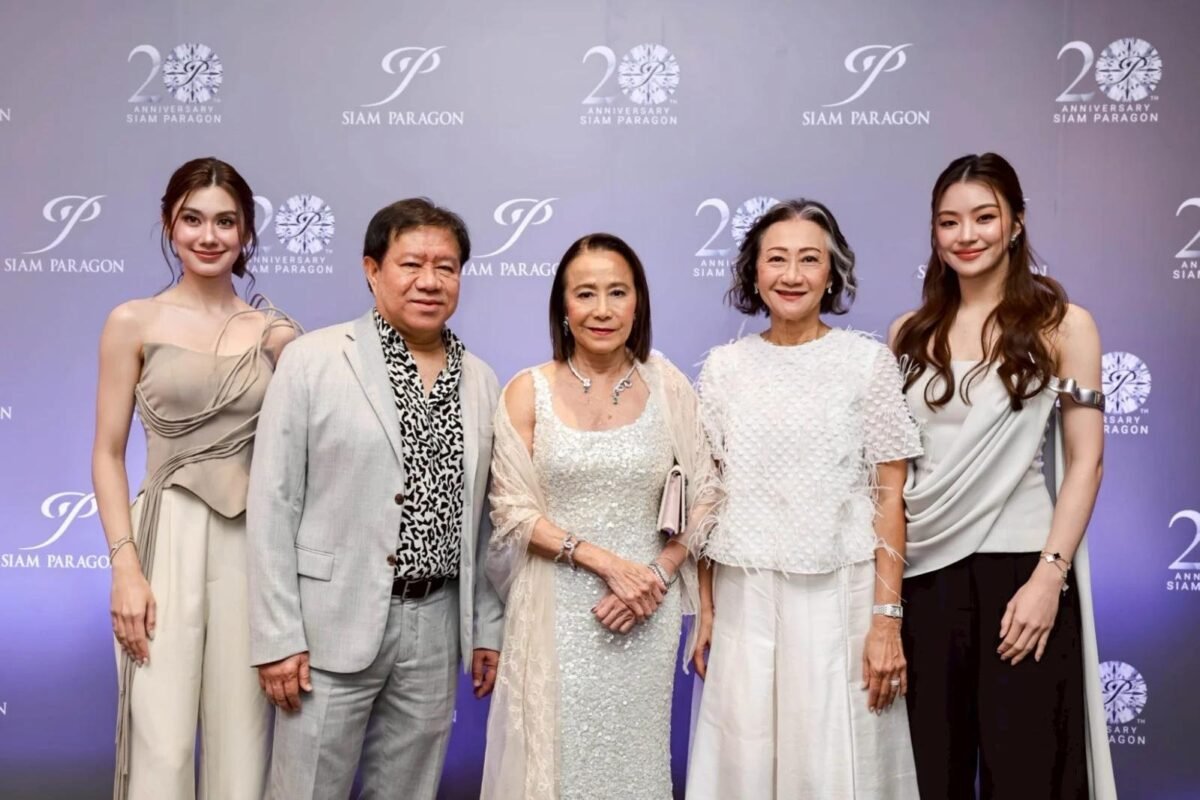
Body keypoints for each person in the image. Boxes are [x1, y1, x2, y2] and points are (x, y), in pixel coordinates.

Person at [245, 197, 504, 799]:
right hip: (327, 624)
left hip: (436, 625)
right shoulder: (313, 361)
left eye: (446, 267)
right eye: (411, 264)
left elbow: (486, 525)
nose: (429, 281)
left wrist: (487, 628)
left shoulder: (482, 380)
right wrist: (278, 636)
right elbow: (273, 503)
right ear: (372, 269)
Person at [891, 153, 1116, 799]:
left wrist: (1050, 576)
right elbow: (892, 474)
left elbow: (1087, 461)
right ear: (934, 232)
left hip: (1022, 571)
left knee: (1028, 775)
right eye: (949, 221)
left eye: (984, 217)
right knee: (931, 775)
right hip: (924, 576)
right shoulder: (908, 334)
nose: (967, 235)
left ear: (1016, 222)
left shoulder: (1063, 325)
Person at [686, 199, 922, 799]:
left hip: (840, 598)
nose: (792, 275)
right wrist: (706, 609)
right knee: (744, 759)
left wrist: (886, 620)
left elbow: (890, 499)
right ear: (753, 272)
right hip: (744, 598)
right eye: (777, 259)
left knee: (834, 764)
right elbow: (709, 497)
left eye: (809, 259)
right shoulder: (724, 368)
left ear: (832, 273)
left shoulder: (866, 363)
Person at [481, 233, 718, 800]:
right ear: (563, 306)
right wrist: (607, 564)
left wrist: (656, 574)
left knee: (633, 764)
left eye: (618, 292)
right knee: (554, 767)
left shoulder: (669, 386)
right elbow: (511, 510)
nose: (603, 310)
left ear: (638, 303)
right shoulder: (526, 390)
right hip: (554, 610)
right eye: (585, 293)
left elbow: (707, 495)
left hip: (647, 610)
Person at [94, 157, 297, 800]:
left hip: (251, 541)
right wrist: (125, 567)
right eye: (193, 220)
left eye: (225, 222)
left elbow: (310, 451)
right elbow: (107, 453)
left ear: (246, 232)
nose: (209, 236)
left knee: (244, 743)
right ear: (169, 224)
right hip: (163, 536)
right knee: (162, 742)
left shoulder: (275, 334)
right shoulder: (132, 321)